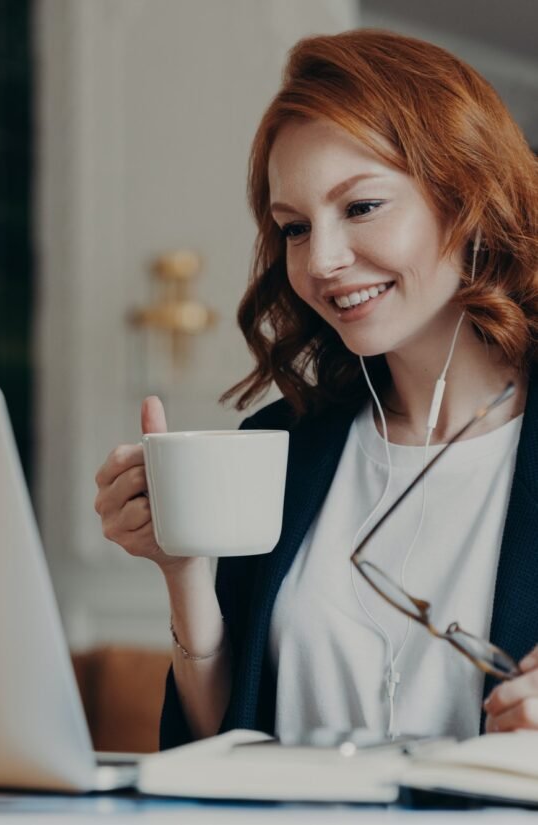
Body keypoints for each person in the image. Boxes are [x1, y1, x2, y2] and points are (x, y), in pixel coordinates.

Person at [94, 29, 538, 748]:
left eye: (360, 207)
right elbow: (217, 748)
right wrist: (185, 574)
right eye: (294, 227)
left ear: (468, 200)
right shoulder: (277, 449)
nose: (322, 260)